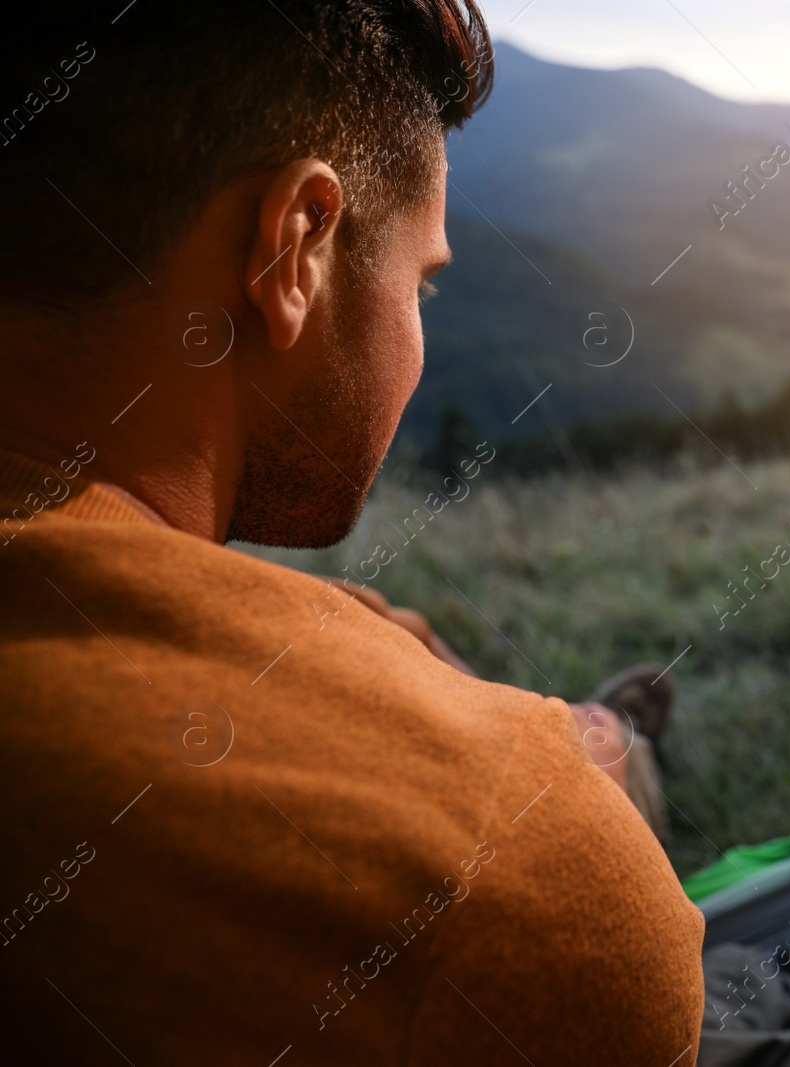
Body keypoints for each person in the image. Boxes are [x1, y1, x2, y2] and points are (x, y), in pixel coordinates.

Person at [0, 2, 702, 1063]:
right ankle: (615, 737)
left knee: (390, 633)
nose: (419, 327)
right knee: (593, 756)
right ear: (296, 246)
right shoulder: (521, 877)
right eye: (423, 281)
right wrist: (536, 790)